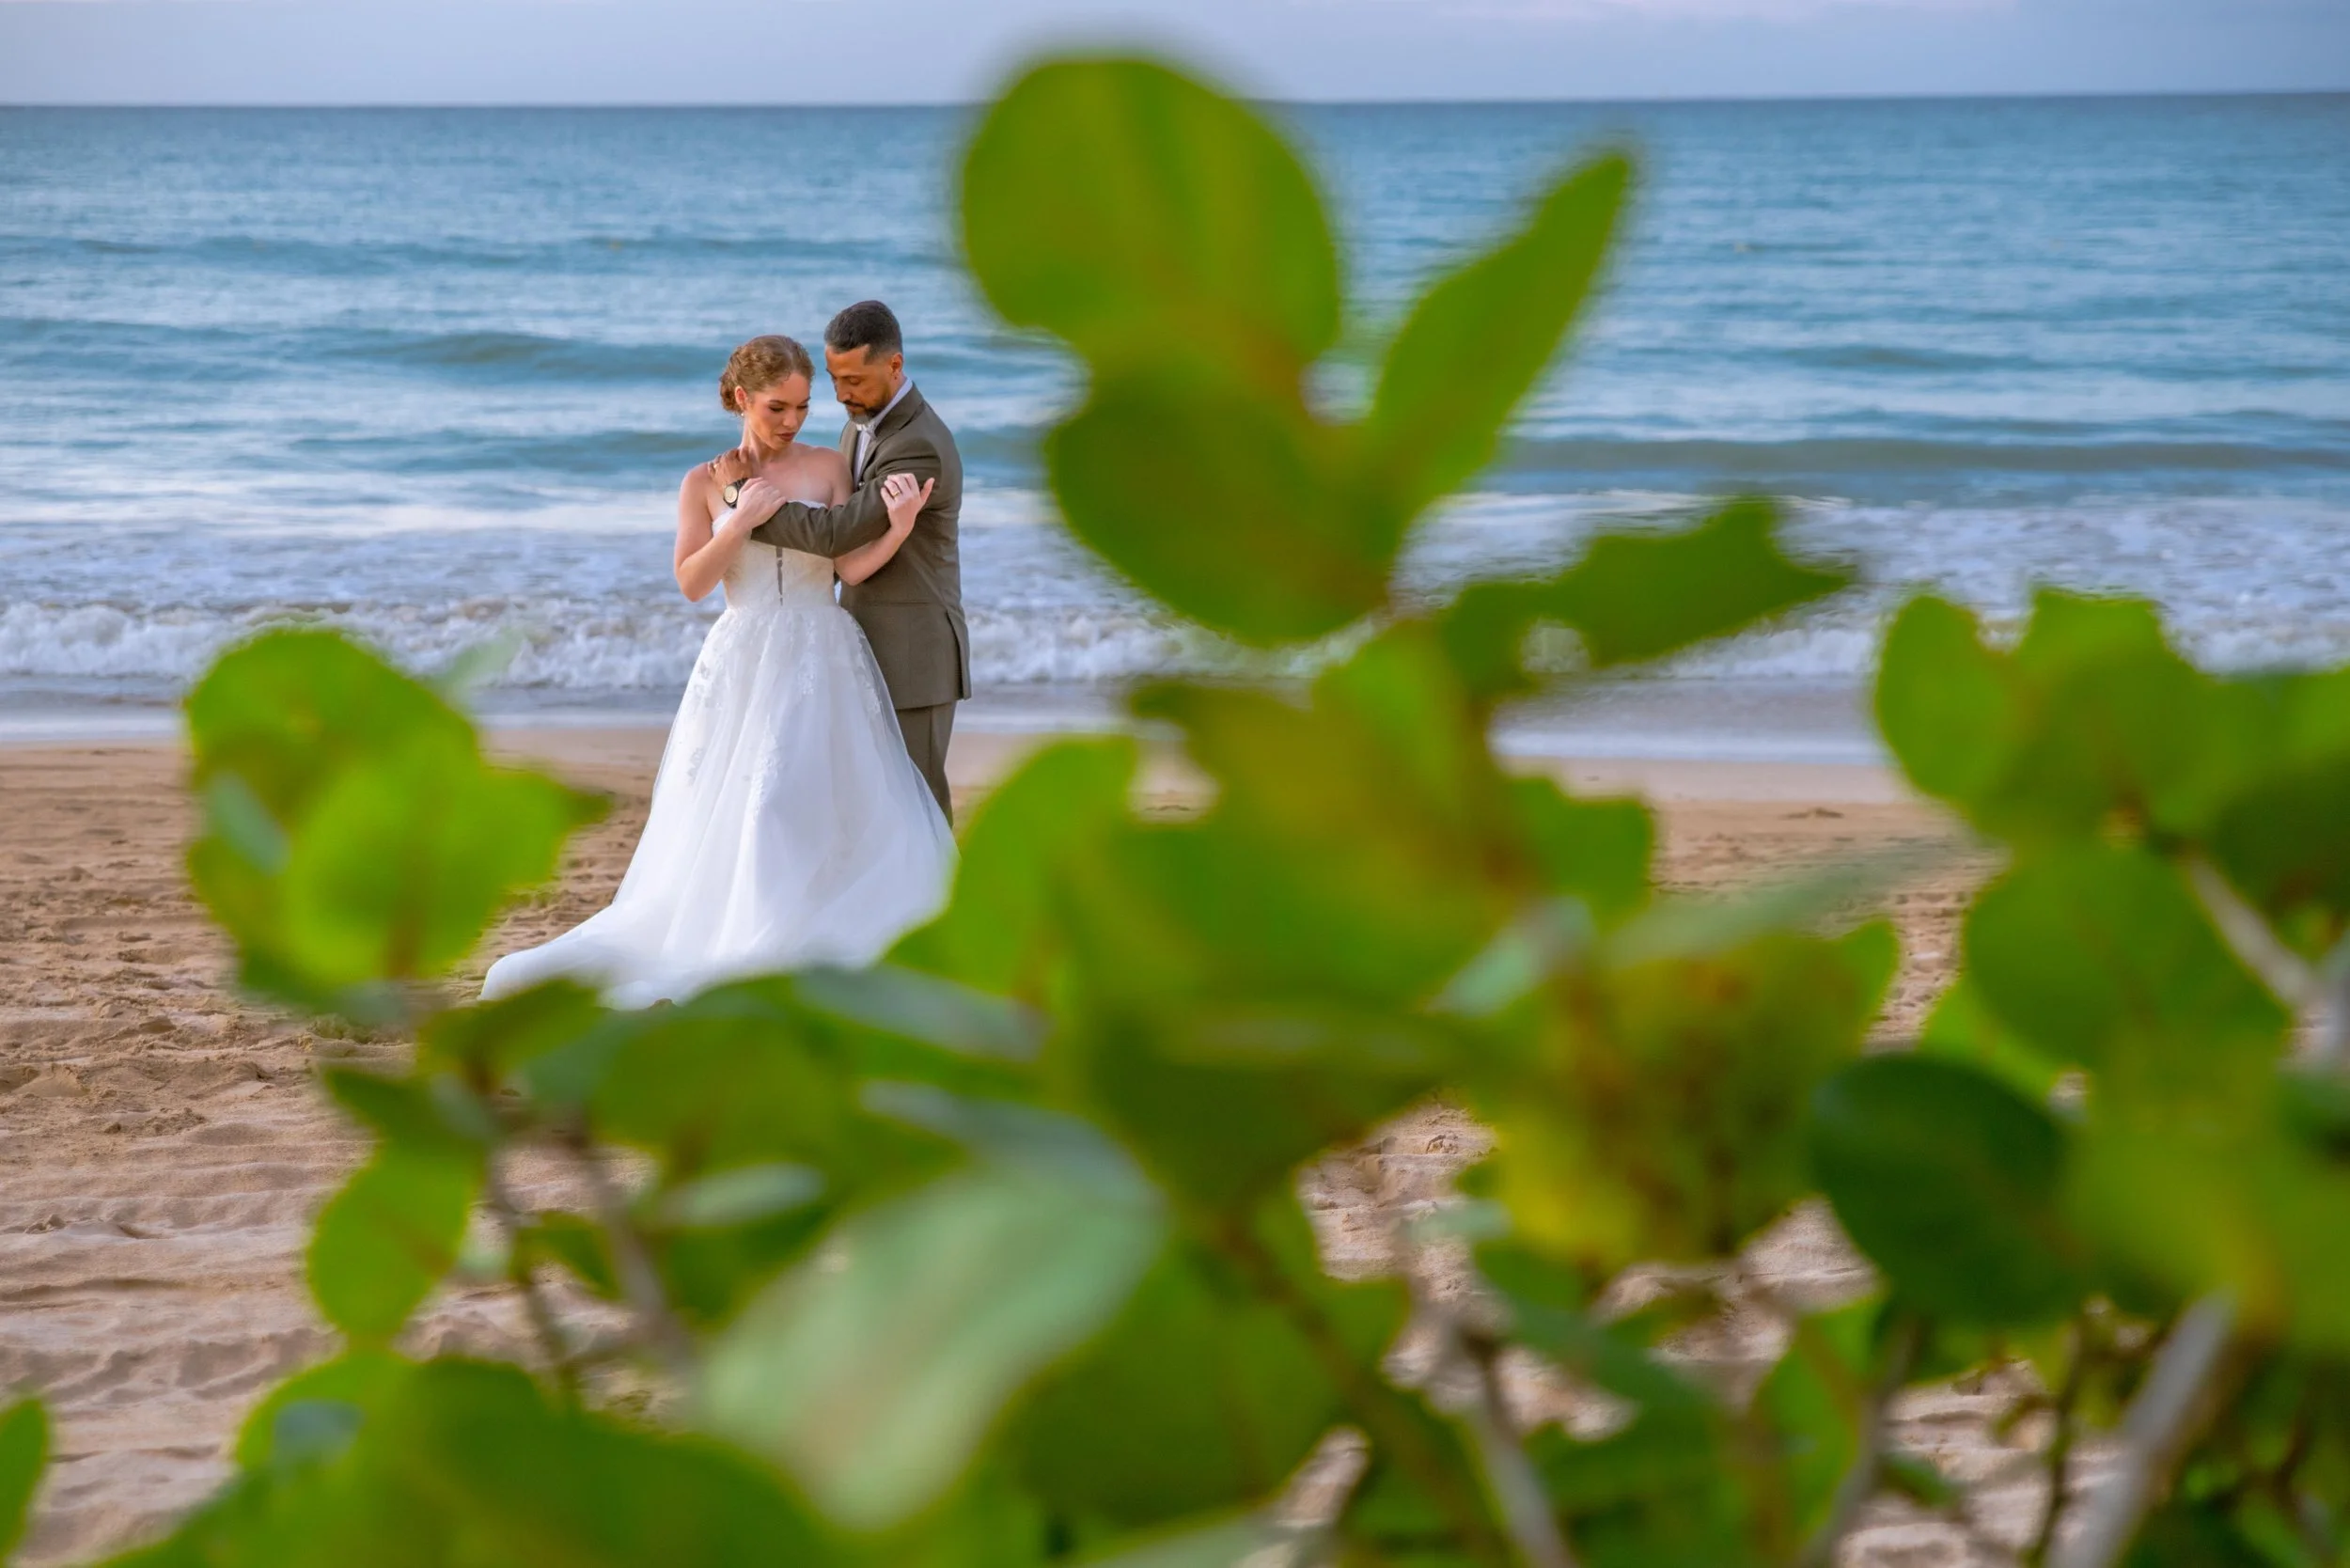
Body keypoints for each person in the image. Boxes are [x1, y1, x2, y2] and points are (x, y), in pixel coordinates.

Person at [479, 334, 956, 1008]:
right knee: (756, 807)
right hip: (744, 658)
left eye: (802, 406)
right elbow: (691, 582)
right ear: (741, 398)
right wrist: (736, 526)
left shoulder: (827, 466)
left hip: (826, 653)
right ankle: (746, 948)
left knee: (819, 804)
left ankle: (807, 943)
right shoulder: (703, 482)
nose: (792, 421)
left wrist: (898, 527)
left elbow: (847, 568)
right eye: (776, 407)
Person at [715, 300, 967, 822]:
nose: (841, 394)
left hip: (912, 650)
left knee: (917, 808)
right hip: (854, 645)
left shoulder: (917, 446)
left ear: (894, 366)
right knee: (871, 810)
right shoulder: (860, 425)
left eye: (854, 379)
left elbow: (836, 533)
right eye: (833, 378)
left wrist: (743, 500)